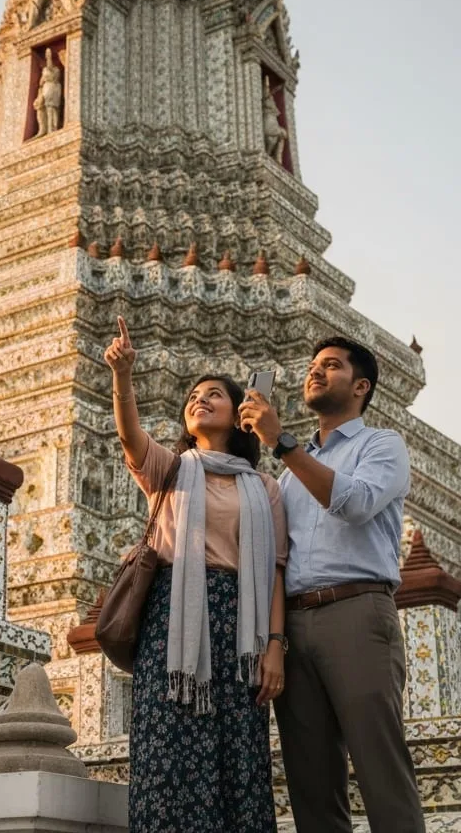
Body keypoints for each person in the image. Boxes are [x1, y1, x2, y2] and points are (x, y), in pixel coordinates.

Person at [104, 316, 289, 833]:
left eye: (214, 395)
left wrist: (275, 644)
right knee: (169, 749)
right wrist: (123, 375)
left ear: (238, 415)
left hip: (241, 624)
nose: (200, 400)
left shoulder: (264, 488)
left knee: (237, 754)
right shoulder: (171, 469)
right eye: (192, 396)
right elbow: (130, 435)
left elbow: (275, 571)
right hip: (172, 621)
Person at [239, 336, 425, 833]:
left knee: (379, 765)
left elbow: (357, 503)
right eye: (314, 366)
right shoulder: (292, 474)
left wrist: (282, 445)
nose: (316, 372)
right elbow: (278, 557)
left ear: (360, 386)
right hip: (296, 625)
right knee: (311, 782)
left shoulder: (381, 445)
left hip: (358, 613)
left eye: (333, 366)